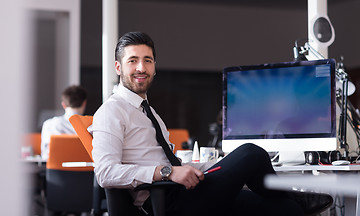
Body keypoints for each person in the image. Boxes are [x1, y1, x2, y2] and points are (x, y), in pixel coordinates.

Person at [91, 32, 332, 216]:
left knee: (284, 209)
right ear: (118, 67)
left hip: (183, 192)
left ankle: (295, 202)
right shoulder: (110, 112)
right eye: (133, 60)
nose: (141, 67)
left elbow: (169, 161)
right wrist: (166, 172)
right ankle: (298, 197)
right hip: (166, 203)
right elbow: (105, 173)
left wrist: (217, 163)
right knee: (251, 153)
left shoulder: (149, 112)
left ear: (154, 67)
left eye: (148, 60)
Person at [41, 85, 87, 160]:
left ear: (63, 104)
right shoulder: (91, 126)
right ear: (84, 103)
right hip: (85, 170)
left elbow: (45, 156)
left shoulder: (49, 124)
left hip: (56, 170)